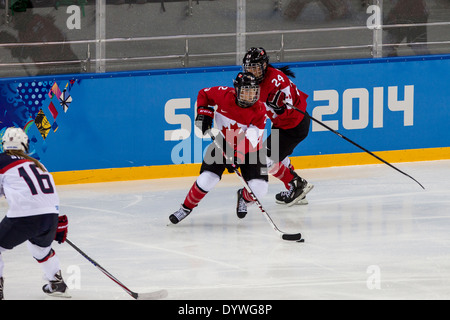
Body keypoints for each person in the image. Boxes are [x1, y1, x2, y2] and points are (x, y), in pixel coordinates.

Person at [169, 72, 268, 224]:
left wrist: (237, 155)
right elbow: (204, 94)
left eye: (253, 91)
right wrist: (204, 113)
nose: (250, 95)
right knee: (207, 179)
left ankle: (244, 196)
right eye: (246, 90)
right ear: (237, 90)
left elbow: (252, 139)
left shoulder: (259, 109)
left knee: (260, 189)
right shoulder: (223, 94)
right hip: (222, 143)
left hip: (251, 151)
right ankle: (185, 208)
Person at [0, 127, 69, 300]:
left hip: (24, 217)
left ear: (3, 145)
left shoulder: (2, 161)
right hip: (50, 216)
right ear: (25, 145)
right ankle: (56, 281)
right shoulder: (37, 163)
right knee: (40, 249)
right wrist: (51, 220)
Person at [242, 47, 313, 206]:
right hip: (282, 126)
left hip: (294, 126)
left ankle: (297, 184)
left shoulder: (277, 80)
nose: (252, 72)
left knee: (265, 160)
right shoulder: (254, 82)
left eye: (255, 68)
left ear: (264, 66)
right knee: (279, 157)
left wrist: (281, 109)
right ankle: (295, 190)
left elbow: (289, 108)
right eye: (249, 68)